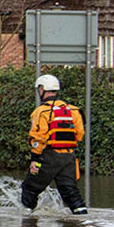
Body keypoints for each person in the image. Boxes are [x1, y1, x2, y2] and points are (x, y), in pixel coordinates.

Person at [20, 74, 88, 215]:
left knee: (30, 188)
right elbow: (80, 134)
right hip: (69, 158)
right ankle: (82, 220)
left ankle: (27, 223)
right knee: (70, 191)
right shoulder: (74, 111)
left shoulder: (41, 112)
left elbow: (38, 137)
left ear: (42, 89)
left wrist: (34, 159)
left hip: (48, 157)